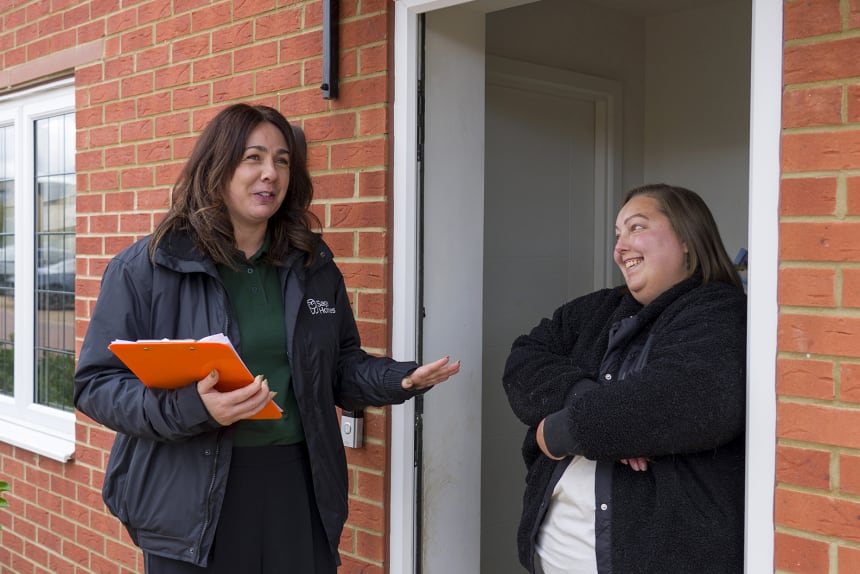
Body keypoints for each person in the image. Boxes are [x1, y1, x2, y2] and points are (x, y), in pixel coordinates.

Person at [74, 103, 460, 573]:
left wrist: (398, 379)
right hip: (190, 497)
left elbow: (337, 366)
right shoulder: (149, 267)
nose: (270, 174)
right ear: (217, 167)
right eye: (253, 158)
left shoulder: (311, 265)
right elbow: (95, 385)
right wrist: (192, 408)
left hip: (296, 487)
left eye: (281, 161)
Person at [502, 184, 746, 574]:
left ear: (687, 237)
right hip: (552, 559)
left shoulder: (720, 313)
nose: (621, 247)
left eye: (636, 228)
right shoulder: (596, 309)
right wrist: (593, 404)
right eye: (618, 235)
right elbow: (523, 361)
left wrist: (558, 432)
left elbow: (680, 401)